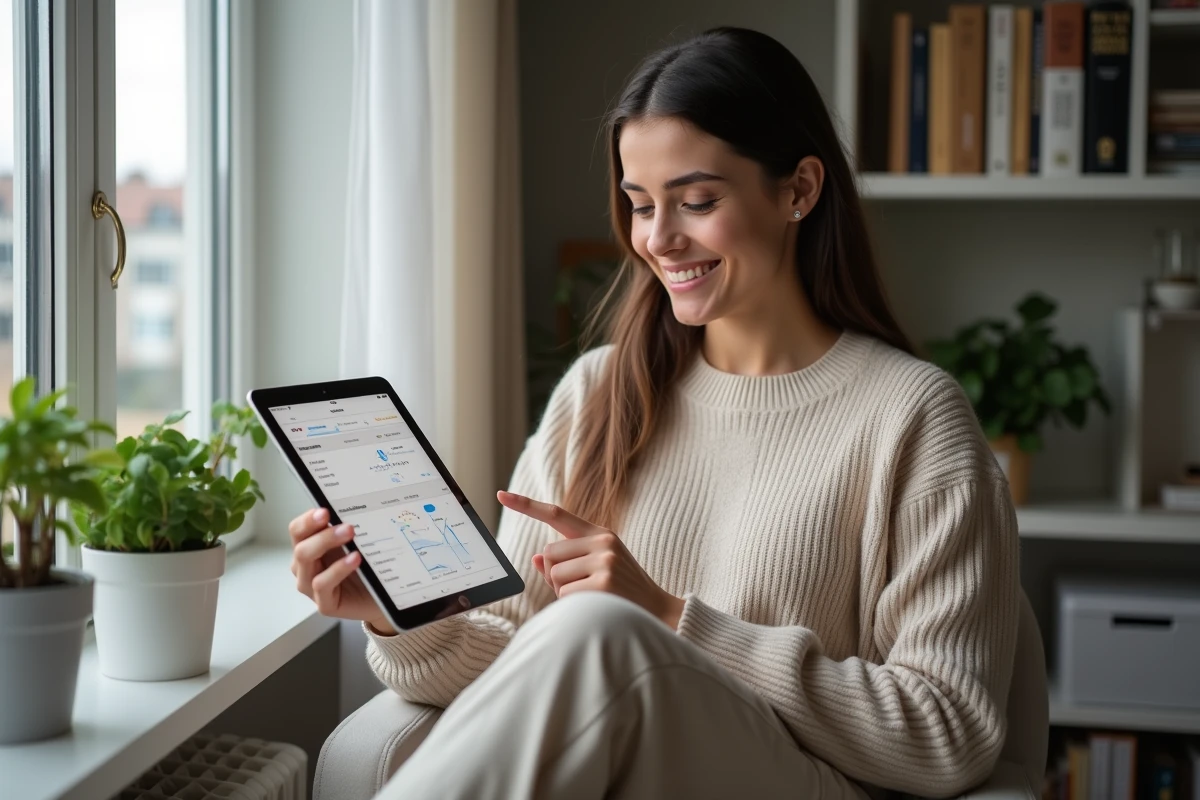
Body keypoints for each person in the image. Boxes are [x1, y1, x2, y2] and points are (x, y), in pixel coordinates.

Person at [289, 26, 1019, 800]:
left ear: (799, 190)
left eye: (697, 201)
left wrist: (670, 617)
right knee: (585, 633)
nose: (659, 240)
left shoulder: (912, 417)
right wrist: (400, 612)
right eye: (640, 206)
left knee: (597, 629)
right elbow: (522, 671)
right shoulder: (600, 393)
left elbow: (950, 733)